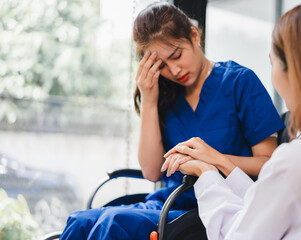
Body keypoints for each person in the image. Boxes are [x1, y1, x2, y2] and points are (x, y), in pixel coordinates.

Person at [59, 2, 284, 239]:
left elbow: (269, 163)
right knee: (79, 221)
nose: (175, 71)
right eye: (162, 65)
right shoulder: (167, 96)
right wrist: (148, 98)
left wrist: (214, 159)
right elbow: (152, 172)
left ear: (194, 36)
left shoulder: (239, 82)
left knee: (112, 223)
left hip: (214, 206)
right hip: (168, 202)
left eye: (176, 55)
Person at [162, 1, 301, 239]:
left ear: (294, 70)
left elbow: (239, 234)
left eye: (272, 62)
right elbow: (270, 199)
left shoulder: (299, 158)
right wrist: (219, 162)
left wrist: (206, 174)